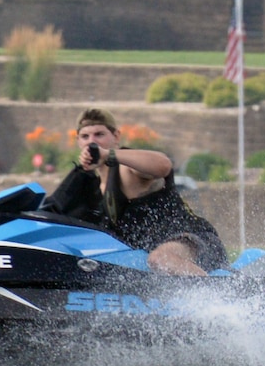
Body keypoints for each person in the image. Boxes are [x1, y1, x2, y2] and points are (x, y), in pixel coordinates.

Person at [38, 107, 227, 275]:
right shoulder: (87, 186)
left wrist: (108, 154)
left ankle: (216, 303)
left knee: (161, 259)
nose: (92, 142)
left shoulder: (126, 168)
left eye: (99, 135)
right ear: (78, 141)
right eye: (85, 137)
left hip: (193, 242)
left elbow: (163, 165)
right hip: (149, 257)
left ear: (116, 137)